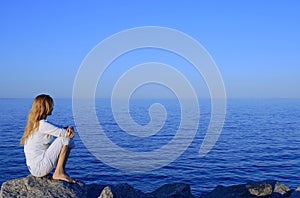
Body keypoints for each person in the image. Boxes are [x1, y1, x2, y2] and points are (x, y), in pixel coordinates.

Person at [20, 94, 76, 183]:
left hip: (34, 168)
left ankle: (60, 170)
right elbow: (66, 134)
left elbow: (59, 128)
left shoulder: (35, 123)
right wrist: (70, 129)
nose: (53, 107)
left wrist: (68, 127)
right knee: (65, 140)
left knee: (65, 139)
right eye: (51, 105)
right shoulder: (42, 125)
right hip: (39, 167)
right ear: (46, 108)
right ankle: (59, 172)